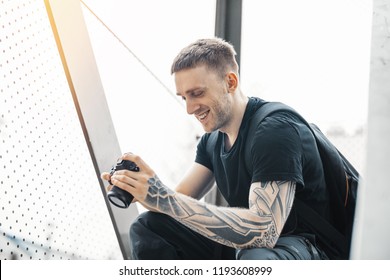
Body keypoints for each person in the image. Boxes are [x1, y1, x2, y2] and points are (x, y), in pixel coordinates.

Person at [101, 38, 332, 260]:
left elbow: (264, 231)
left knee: (256, 256)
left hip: (305, 248)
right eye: (184, 98)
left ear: (230, 82)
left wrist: (163, 198)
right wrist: (143, 189)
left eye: (197, 93)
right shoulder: (212, 141)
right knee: (149, 227)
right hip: (248, 248)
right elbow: (178, 201)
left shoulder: (274, 129)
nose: (190, 109)